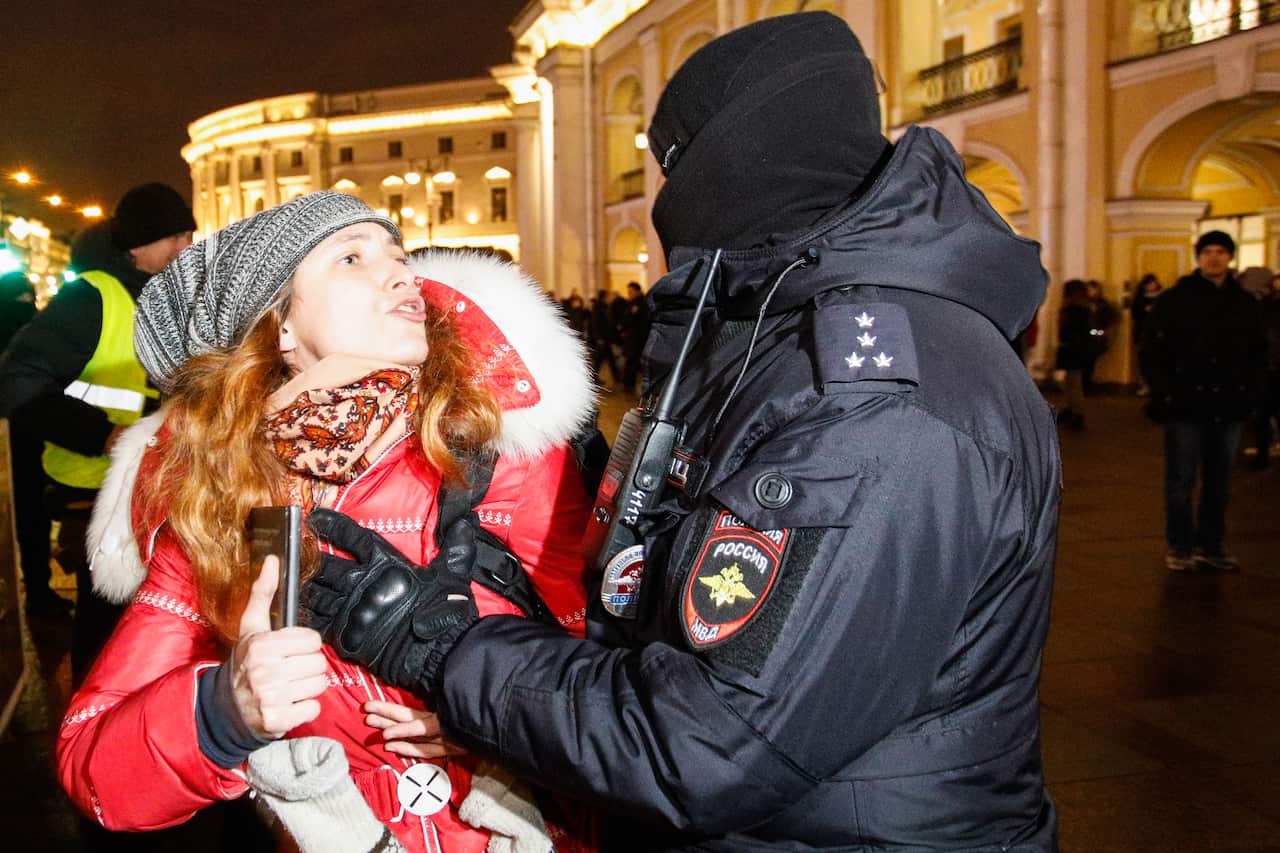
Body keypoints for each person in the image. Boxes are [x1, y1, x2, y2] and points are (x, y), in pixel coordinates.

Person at [302, 14, 1060, 850]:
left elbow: (707, 741)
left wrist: (446, 651)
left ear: (737, 152)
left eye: (674, 158)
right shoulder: (778, 325)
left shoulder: (876, 398)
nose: (666, 188)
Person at [56, 192, 599, 853]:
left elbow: (619, 681)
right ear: (281, 326)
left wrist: (500, 717)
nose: (401, 272)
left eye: (399, 257)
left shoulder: (508, 456)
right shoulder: (217, 504)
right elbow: (92, 764)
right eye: (352, 258)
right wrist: (225, 711)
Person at [0, 185, 194, 625]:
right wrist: (102, 434)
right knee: (106, 629)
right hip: (96, 495)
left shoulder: (163, 295)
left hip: (154, 489)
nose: (186, 248)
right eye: (174, 237)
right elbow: (17, 381)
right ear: (136, 245)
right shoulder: (91, 298)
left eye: (188, 235)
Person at [1139, 230, 1266, 572]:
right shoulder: (1175, 299)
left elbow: (1259, 353)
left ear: (1230, 257)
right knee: (1181, 480)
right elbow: (1151, 349)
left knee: (1219, 483)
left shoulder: (1245, 303)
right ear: (1198, 256)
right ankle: (1181, 545)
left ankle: (1212, 544)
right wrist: (1164, 391)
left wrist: (1250, 393)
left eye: (1220, 251)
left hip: (1229, 405)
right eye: (1208, 251)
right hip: (1185, 404)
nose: (1214, 257)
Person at [1055, 279, 1092, 430]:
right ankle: (1072, 410)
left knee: (1074, 384)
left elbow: (1070, 331)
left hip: (1074, 351)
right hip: (1073, 350)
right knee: (1071, 383)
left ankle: (1076, 412)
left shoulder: (1078, 311)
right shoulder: (1079, 310)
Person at [1252, 273, 1280, 469]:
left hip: (1270, 367)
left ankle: (1263, 454)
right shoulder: (1264, 306)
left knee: (1265, 415)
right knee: (1262, 415)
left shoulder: (1264, 306)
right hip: (1265, 369)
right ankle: (1262, 453)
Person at [1129, 273, 1162, 396]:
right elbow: (1135, 314)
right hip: (1142, 333)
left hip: (1159, 335)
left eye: (1154, 282)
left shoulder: (1163, 297)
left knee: (1158, 362)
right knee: (1143, 361)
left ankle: (1157, 385)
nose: (1152, 285)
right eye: (1149, 283)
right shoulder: (1139, 299)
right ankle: (1145, 385)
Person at [619, 281, 650, 393]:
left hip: (637, 339)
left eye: (631, 292)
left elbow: (635, 320)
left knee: (633, 362)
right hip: (632, 338)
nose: (629, 294)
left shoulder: (640, 303)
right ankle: (628, 384)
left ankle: (630, 384)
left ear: (637, 291)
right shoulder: (632, 303)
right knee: (631, 361)